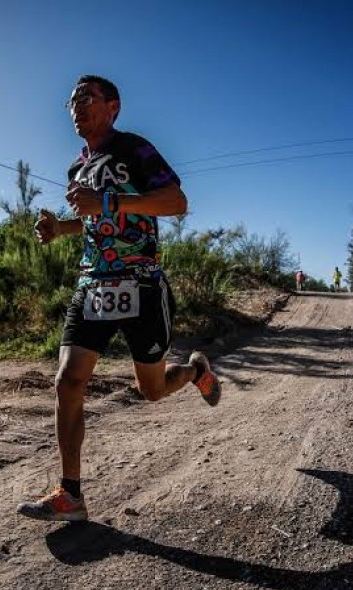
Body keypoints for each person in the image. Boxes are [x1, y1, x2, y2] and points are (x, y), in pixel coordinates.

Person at [16, 75, 222, 522]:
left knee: (151, 390)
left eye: (85, 98)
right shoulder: (77, 168)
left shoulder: (134, 148)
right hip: (93, 284)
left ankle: (193, 372)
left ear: (113, 106)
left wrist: (107, 202)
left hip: (140, 282)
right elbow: (93, 221)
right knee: (68, 380)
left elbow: (175, 201)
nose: (76, 106)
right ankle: (71, 494)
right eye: (71, 100)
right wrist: (61, 228)